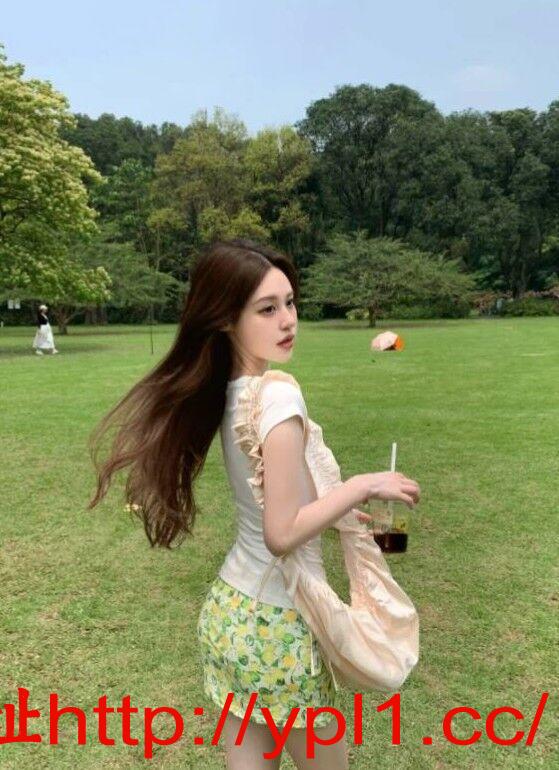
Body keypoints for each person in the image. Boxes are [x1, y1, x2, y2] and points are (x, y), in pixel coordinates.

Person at [87, 239, 420, 769]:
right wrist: (360, 485)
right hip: (280, 629)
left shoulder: (233, 391)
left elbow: (273, 497)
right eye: (267, 309)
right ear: (226, 319)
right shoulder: (278, 398)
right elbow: (281, 534)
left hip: (230, 617)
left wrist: (340, 511)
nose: (287, 320)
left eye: (289, 303)